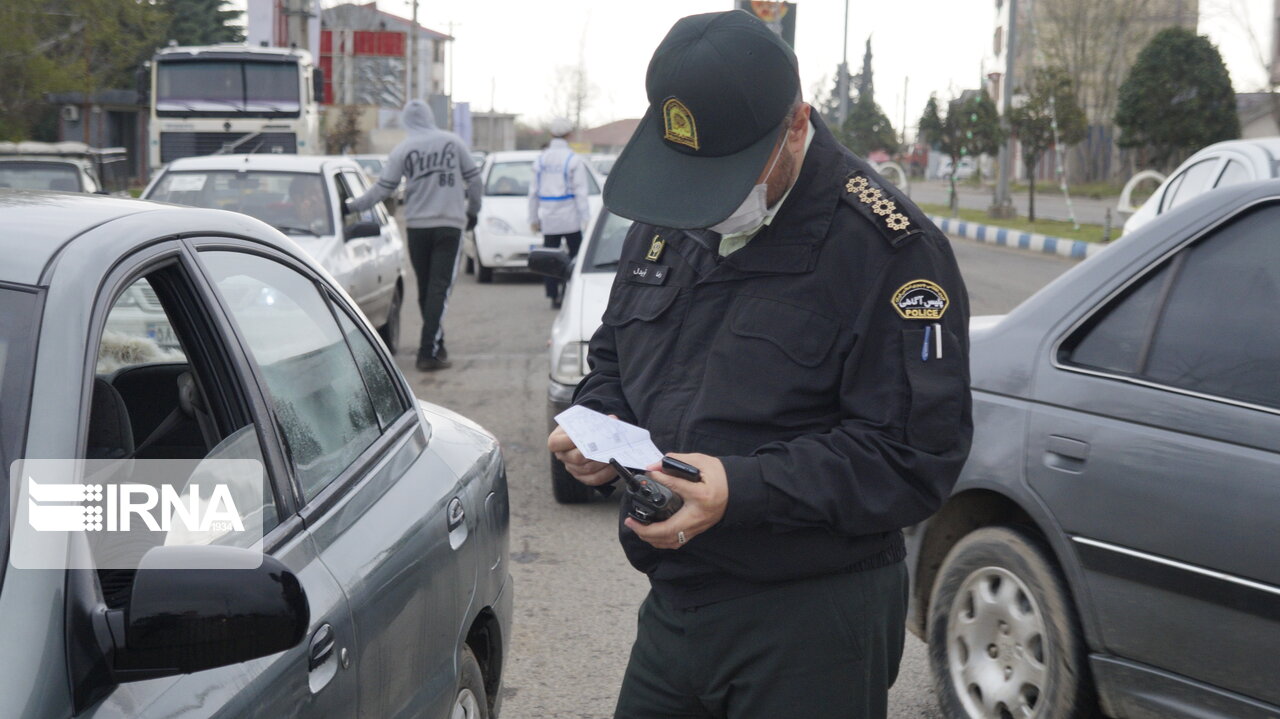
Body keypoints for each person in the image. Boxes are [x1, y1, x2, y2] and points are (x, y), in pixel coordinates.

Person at [546, 10, 972, 719]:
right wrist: (598, 422)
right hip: (677, 599)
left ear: (796, 125)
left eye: (726, 176)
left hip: (810, 618)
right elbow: (616, 353)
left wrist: (743, 488)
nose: (705, 208)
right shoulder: (674, 208)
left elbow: (913, 456)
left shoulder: (890, 251)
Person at [348, 99, 481, 371]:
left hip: (418, 227)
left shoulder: (403, 149)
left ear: (407, 121)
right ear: (431, 117)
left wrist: (351, 206)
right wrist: (473, 212)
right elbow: (475, 179)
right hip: (449, 225)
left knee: (426, 288)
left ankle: (436, 342)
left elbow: (383, 189)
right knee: (439, 290)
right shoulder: (453, 143)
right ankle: (427, 352)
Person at [528, 116, 592, 308]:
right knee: (576, 256)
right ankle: (572, 291)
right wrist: (586, 218)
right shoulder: (573, 159)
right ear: (569, 135)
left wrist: (533, 218)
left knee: (549, 257)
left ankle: (552, 295)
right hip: (570, 216)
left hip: (548, 217)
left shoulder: (541, 160)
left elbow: (533, 192)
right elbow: (581, 192)